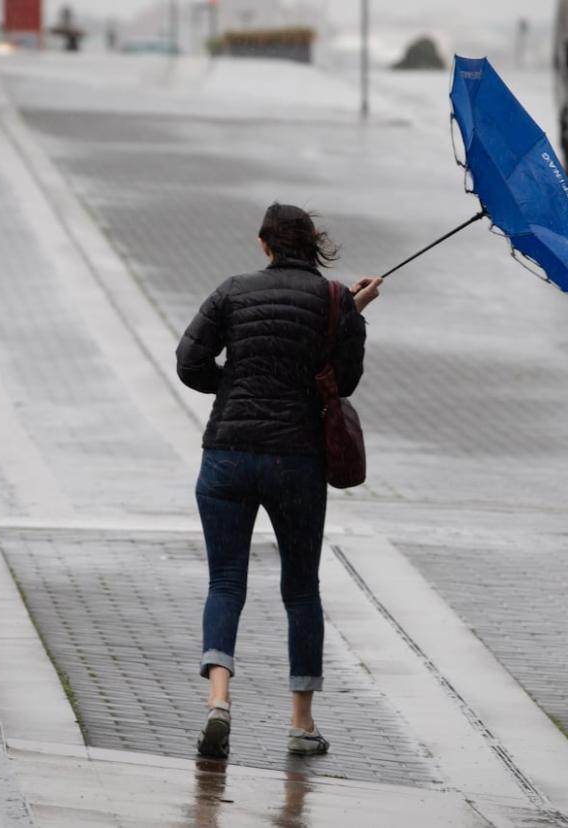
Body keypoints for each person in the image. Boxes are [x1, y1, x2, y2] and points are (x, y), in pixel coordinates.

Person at [175, 203, 382, 760]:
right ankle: (300, 723)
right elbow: (347, 381)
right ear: (313, 243)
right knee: (300, 588)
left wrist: (235, 385)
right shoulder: (335, 298)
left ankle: (218, 701)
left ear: (265, 243)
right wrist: (352, 313)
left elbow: (189, 362)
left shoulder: (232, 290)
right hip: (296, 458)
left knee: (225, 583)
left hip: (227, 455)